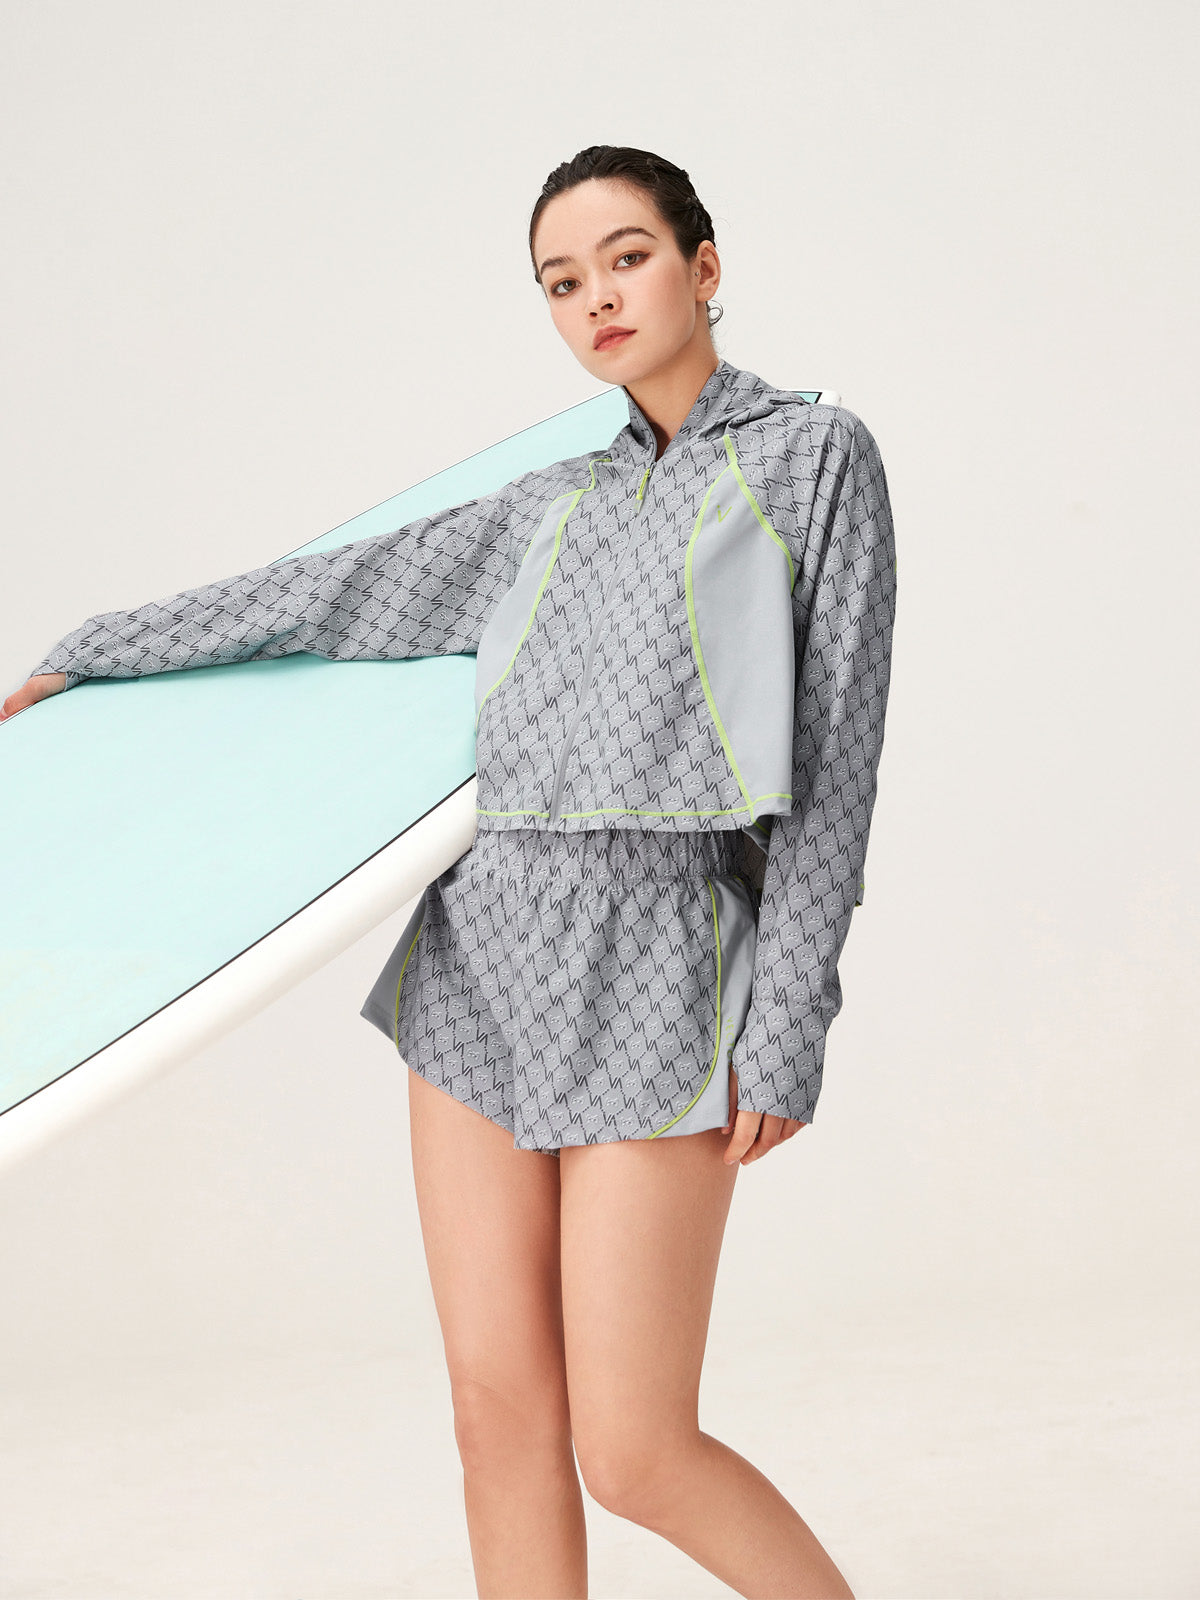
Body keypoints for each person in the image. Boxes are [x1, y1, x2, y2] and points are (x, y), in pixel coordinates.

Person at [4, 145, 896, 1599]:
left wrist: (790, 1025)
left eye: (627, 257)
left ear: (703, 266)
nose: (597, 298)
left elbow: (839, 764)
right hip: (480, 956)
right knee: (497, 1419)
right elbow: (327, 592)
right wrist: (96, 649)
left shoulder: (814, 458)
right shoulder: (541, 505)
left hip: (665, 955)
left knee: (635, 1447)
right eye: (562, 281)